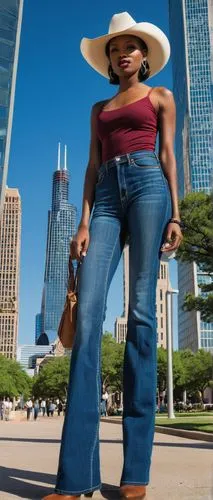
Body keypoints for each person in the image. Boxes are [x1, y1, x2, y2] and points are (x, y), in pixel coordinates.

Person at [43, 11, 183, 500]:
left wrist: (176, 215)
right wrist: (82, 221)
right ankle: (73, 477)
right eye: (115, 48)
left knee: (141, 313)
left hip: (148, 184)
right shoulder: (99, 107)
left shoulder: (160, 97)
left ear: (144, 56)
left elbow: (168, 156)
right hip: (104, 197)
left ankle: (134, 473)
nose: (122, 53)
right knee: (87, 322)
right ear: (109, 60)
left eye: (131, 46)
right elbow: (91, 164)